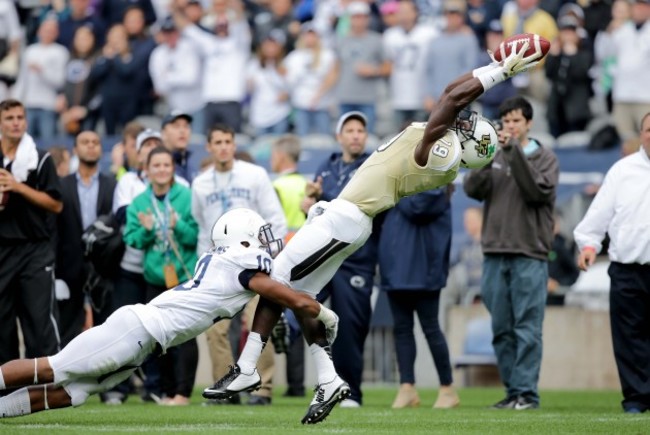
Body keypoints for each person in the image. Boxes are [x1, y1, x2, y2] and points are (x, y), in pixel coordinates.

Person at [205, 38, 545, 423]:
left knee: (275, 279)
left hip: (347, 217)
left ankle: (248, 367)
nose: (464, 120)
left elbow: (449, 103)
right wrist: (490, 68)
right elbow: (451, 93)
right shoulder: (447, 144)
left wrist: (501, 73)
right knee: (298, 295)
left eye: (469, 126)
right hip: (347, 215)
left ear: (466, 144)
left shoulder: (442, 153)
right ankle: (330, 379)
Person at [0, 208, 339, 419]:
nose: (265, 244)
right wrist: (326, 314)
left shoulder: (227, 262)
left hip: (146, 342)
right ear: (243, 240)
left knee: (72, 393)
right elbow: (294, 298)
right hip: (137, 330)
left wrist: (310, 224)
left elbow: (280, 270)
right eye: (258, 237)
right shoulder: (242, 265)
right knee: (52, 368)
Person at [463, 95, 559, 410]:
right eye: (506, 121)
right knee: (501, 328)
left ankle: (527, 394)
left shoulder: (545, 158)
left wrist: (511, 151)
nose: (510, 127)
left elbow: (535, 192)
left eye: (516, 121)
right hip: (494, 253)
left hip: (529, 254)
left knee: (527, 328)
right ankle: (513, 392)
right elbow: (472, 190)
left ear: (529, 123)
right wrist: (485, 155)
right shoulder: (497, 154)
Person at [191, 123, 287, 405]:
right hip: (218, 267)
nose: (223, 146)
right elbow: (201, 229)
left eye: (227, 141)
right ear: (209, 146)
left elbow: (275, 218)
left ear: (234, 145)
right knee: (215, 330)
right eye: (217, 142)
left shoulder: (255, 175)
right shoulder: (200, 183)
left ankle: (262, 388)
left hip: (253, 263)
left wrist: (269, 258)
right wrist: (201, 267)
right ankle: (225, 389)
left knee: (259, 323)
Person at [573, 112, 650, 414]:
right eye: (648, 129)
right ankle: (636, 398)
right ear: (642, 133)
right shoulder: (622, 171)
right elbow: (598, 215)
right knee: (629, 338)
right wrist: (589, 245)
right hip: (627, 269)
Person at [299, 110, 377, 408]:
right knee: (305, 313)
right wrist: (309, 202)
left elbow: (358, 204)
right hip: (325, 257)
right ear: (339, 136)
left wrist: (323, 198)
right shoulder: (328, 165)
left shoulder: (372, 165)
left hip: (357, 258)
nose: (356, 135)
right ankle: (328, 382)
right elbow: (315, 203)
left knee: (350, 328)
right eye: (350, 130)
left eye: (360, 130)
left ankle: (351, 392)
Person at [123, 146, 198, 406]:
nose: (162, 170)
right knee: (159, 339)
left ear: (173, 168)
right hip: (155, 279)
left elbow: (197, 236)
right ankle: (166, 392)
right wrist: (145, 231)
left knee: (186, 336)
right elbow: (131, 239)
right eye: (157, 165)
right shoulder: (140, 203)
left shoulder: (187, 196)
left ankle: (183, 393)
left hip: (184, 278)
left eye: (166, 165)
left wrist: (180, 227)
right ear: (147, 170)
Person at [379, 187, 460, 410]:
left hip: (424, 269)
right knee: (402, 328)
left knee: (431, 328)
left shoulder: (435, 183)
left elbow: (417, 207)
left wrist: (394, 190)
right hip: (396, 268)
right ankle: (407, 387)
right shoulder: (402, 182)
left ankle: (447, 389)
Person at [0, 99, 63, 364]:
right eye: (10, 118)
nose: (16, 122)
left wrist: (17, 186)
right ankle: (6, 390)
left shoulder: (40, 158)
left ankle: (50, 386)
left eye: (20, 117)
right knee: (1, 325)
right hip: (2, 249)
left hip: (34, 249)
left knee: (40, 322)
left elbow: (56, 204)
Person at [55, 131, 116, 347]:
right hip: (69, 268)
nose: (91, 146)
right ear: (75, 149)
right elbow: (55, 230)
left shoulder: (112, 184)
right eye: (85, 142)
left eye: (95, 142)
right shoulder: (62, 184)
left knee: (108, 334)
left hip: (104, 270)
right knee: (67, 335)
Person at [270, 134, 308, 397]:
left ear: (282, 156)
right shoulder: (307, 184)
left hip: (282, 254)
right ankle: (297, 384)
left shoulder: (277, 186)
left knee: (276, 317)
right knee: (299, 315)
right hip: (306, 254)